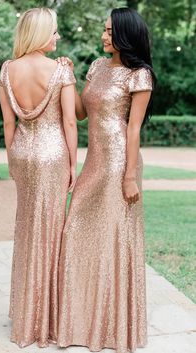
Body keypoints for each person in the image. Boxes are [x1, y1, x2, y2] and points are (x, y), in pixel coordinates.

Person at [57, 7, 156, 353]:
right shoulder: (97, 67)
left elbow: (133, 129)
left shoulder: (139, 75)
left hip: (118, 164)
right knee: (75, 230)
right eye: (103, 29)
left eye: (109, 31)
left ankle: (112, 327)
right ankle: (79, 318)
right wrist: (68, 76)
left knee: (113, 240)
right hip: (94, 161)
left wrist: (130, 176)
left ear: (125, 35)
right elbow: (83, 113)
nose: (103, 36)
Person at [0, 7, 77, 348]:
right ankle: (48, 317)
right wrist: (74, 164)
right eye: (54, 31)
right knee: (52, 232)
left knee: (27, 228)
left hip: (23, 153)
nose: (57, 37)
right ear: (41, 33)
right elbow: (70, 122)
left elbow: (8, 124)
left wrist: (12, 160)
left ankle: (26, 311)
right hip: (53, 155)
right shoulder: (60, 71)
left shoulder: (7, 69)